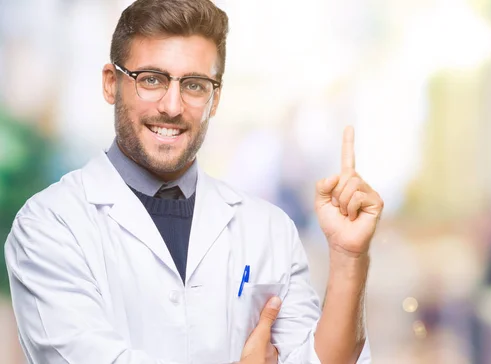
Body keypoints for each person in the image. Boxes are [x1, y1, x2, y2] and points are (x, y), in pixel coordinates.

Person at [4, 0, 384, 363]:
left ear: (215, 98)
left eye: (195, 85)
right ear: (110, 83)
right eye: (151, 79)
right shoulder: (49, 225)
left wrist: (350, 258)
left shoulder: (267, 229)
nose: (172, 106)